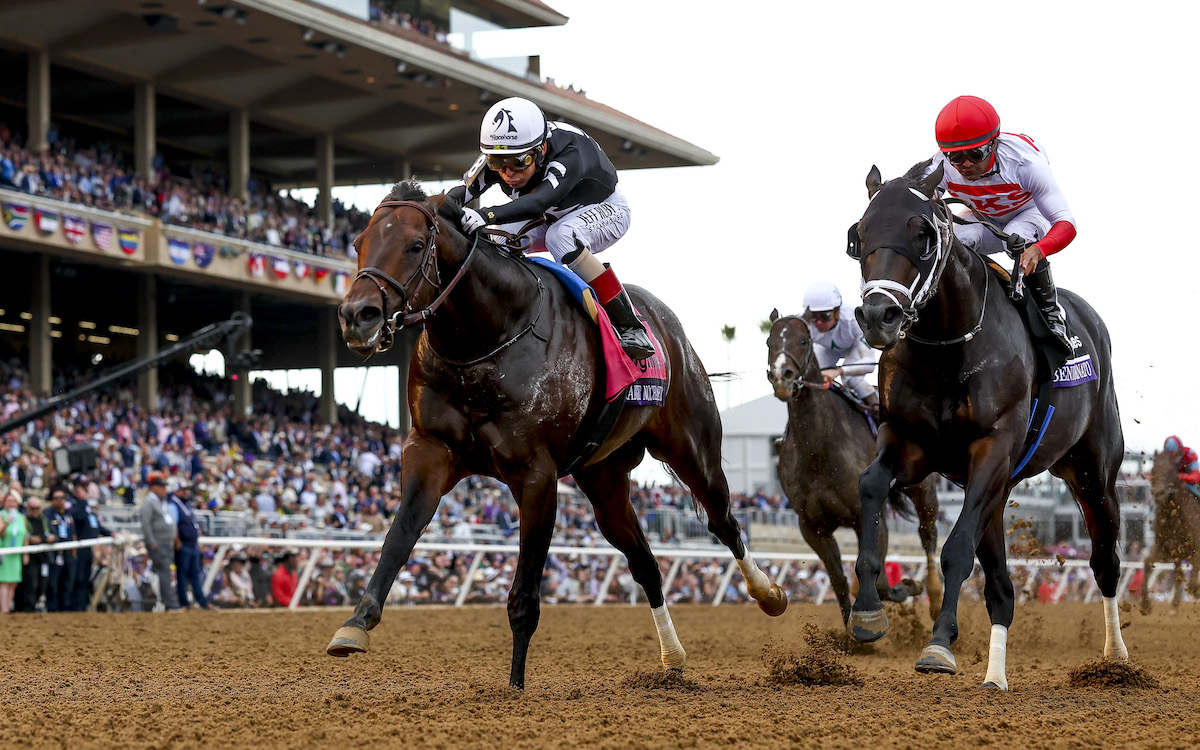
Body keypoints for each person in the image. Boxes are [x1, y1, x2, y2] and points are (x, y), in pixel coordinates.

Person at [448, 96, 654, 360]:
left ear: (541, 149)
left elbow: (537, 202)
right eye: (498, 163)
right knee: (494, 241)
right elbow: (459, 193)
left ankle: (630, 325)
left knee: (562, 237)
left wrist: (485, 214)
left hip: (606, 209)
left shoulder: (569, 153)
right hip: (550, 215)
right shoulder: (503, 149)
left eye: (519, 161)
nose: (508, 172)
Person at [925, 95, 1076, 352]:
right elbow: (916, 203)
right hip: (982, 217)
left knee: (1016, 237)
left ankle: (1050, 311)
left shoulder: (1026, 164)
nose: (966, 165)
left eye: (975, 153)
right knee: (953, 242)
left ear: (993, 144)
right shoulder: (939, 165)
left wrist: (1039, 250)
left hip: (1028, 214)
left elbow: (1066, 223)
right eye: (956, 158)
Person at [801, 281, 879, 417]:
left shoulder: (856, 320)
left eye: (825, 316)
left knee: (851, 379)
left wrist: (838, 371)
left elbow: (869, 363)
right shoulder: (804, 322)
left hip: (854, 346)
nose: (818, 322)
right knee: (814, 377)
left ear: (837, 311)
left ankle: (878, 409)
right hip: (826, 348)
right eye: (814, 316)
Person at [67, 473, 112, 611]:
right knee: (78, 577)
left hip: (88, 547)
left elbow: (95, 524)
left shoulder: (86, 505)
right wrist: (81, 500)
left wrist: (110, 533)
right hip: (78, 547)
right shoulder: (73, 503)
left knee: (86, 576)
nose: (86, 489)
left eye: (87, 486)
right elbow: (76, 517)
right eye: (83, 486)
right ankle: (75, 607)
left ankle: (83, 606)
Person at [139, 473, 181, 611]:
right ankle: (170, 603)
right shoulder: (148, 502)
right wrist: (152, 542)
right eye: (162, 487)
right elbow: (146, 524)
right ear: (154, 487)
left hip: (165, 542)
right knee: (165, 573)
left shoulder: (161, 501)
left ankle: (164, 601)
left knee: (163, 572)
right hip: (158, 543)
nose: (164, 489)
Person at [169, 479, 211, 610]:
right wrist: (177, 541)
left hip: (192, 544)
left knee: (194, 574)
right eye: (184, 490)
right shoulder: (173, 504)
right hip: (183, 544)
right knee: (182, 575)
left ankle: (202, 601)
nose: (187, 492)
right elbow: (173, 524)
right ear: (177, 491)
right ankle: (184, 603)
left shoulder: (185, 504)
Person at [43, 487, 75, 612]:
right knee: (53, 585)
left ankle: (65, 609)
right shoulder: (47, 514)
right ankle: (52, 610)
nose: (59, 501)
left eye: (62, 498)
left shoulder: (68, 514)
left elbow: (73, 532)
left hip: (68, 554)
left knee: (68, 583)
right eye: (56, 498)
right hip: (55, 554)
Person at [21, 494, 51, 612]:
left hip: (43, 558)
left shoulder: (44, 520)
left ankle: (37, 607)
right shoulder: (24, 520)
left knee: (42, 585)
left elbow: (52, 535)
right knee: (30, 585)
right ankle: (28, 609)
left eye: (37, 508)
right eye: (32, 508)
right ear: (27, 508)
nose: (35, 511)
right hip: (30, 558)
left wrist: (41, 538)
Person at [0, 487, 27, 613]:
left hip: (16, 555)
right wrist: (6, 523)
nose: (11, 504)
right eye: (8, 501)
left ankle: (9, 607)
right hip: (4, 554)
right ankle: (4, 609)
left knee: (13, 582)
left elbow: (25, 535)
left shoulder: (21, 517)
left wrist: (25, 553)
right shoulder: (2, 516)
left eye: (13, 501)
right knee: (4, 582)